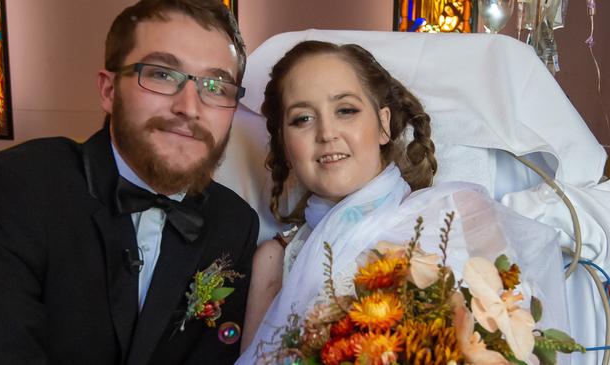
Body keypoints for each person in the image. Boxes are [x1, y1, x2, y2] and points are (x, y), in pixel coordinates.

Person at [0, 0, 258, 364]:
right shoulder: (7, 191)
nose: (189, 107)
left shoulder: (235, 223)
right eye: (162, 74)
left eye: (216, 86)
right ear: (109, 90)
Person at [237, 40, 568, 363]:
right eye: (303, 119)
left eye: (346, 110)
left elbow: (523, 343)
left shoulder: (461, 213)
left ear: (383, 125)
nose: (326, 133)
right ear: (283, 141)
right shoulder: (275, 259)